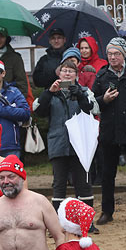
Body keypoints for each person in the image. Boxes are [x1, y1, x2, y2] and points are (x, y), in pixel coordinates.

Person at [93, 37, 126, 228]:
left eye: (116, 54)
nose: (113, 57)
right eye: (110, 54)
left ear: (124, 55)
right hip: (109, 131)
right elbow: (92, 104)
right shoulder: (101, 76)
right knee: (107, 174)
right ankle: (107, 211)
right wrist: (103, 99)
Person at [33, 60, 99, 215]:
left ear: (76, 75)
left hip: (80, 144)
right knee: (59, 184)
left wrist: (81, 95)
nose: (67, 73)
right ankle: (58, 222)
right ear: (59, 74)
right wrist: (49, 92)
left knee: (84, 183)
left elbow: (94, 109)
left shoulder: (85, 90)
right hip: (58, 142)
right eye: (64, 71)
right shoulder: (51, 92)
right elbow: (37, 110)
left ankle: (86, 221)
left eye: (71, 71)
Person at [0, 27, 28, 98]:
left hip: (8, 98)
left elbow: (22, 83)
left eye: (2, 37)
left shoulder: (15, 58)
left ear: (6, 39)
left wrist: (17, 101)